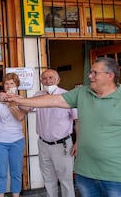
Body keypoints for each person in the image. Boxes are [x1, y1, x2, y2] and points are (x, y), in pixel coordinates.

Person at [4, 57, 121, 197]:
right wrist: (18, 99)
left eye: (95, 73)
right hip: (86, 175)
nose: (90, 76)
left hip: (117, 177)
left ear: (110, 75)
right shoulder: (82, 93)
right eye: (90, 72)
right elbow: (53, 100)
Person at [30, 69, 78, 197]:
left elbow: (77, 121)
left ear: (58, 80)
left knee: (66, 181)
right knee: (48, 180)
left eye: (51, 77)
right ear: (41, 81)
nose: (48, 80)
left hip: (62, 145)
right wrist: (14, 99)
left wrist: (78, 142)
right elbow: (26, 107)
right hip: (43, 144)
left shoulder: (67, 95)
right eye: (44, 78)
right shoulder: (37, 95)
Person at [0, 72, 26, 197]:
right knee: (1, 172)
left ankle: (16, 195)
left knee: (16, 172)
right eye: (6, 83)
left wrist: (9, 104)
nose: (8, 85)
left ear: (16, 85)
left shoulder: (21, 100)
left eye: (11, 83)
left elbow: (20, 117)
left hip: (17, 140)